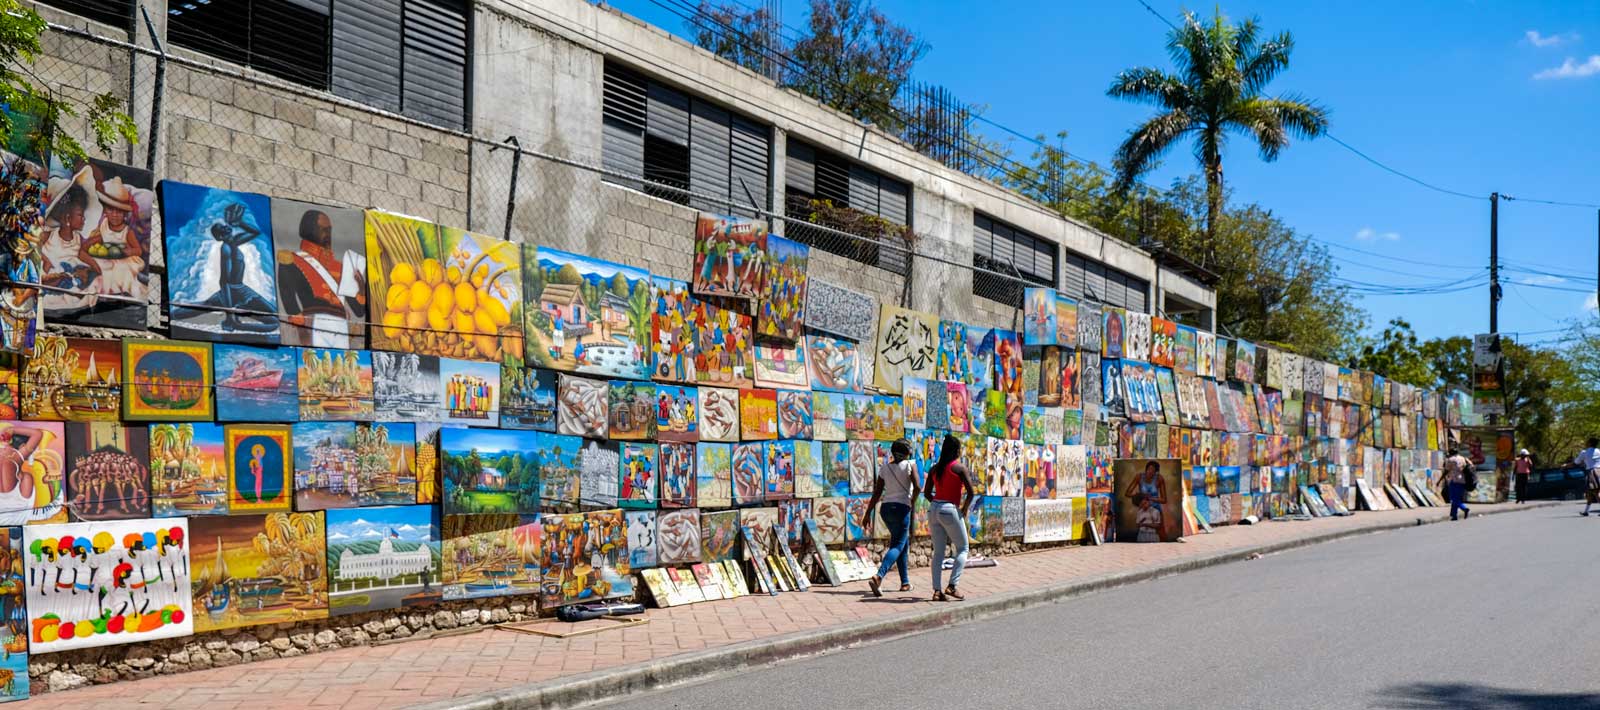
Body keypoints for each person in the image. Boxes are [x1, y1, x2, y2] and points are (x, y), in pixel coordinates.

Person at [862, 439, 919, 597]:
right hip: (902, 508)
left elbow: (877, 493)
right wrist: (911, 502)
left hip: (886, 509)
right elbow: (918, 486)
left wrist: (868, 513)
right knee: (898, 545)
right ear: (907, 452)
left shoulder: (885, 468)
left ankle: (905, 582)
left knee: (901, 543)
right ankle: (879, 576)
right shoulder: (910, 465)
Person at [923, 434, 974, 602]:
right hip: (950, 509)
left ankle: (937, 591)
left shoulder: (934, 469)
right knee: (963, 548)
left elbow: (926, 492)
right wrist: (964, 509)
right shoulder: (959, 468)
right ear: (956, 451)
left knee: (938, 552)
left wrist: (937, 503)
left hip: (934, 509)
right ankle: (952, 585)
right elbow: (971, 492)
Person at [1441, 448, 1472, 520]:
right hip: (1462, 481)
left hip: (1454, 480)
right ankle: (1454, 515)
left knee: (1453, 498)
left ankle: (1464, 508)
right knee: (1457, 498)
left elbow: (1446, 470)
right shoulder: (1463, 459)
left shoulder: (1451, 460)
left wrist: (1440, 480)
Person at [1575, 438, 1600, 516]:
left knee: (1595, 492)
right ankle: (1586, 511)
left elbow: (1576, 462)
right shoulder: (1598, 451)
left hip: (1592, 472)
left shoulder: (1584, 452)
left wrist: (1565, 465)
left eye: (1587, 441)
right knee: (1589, 493)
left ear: (1589, 443)